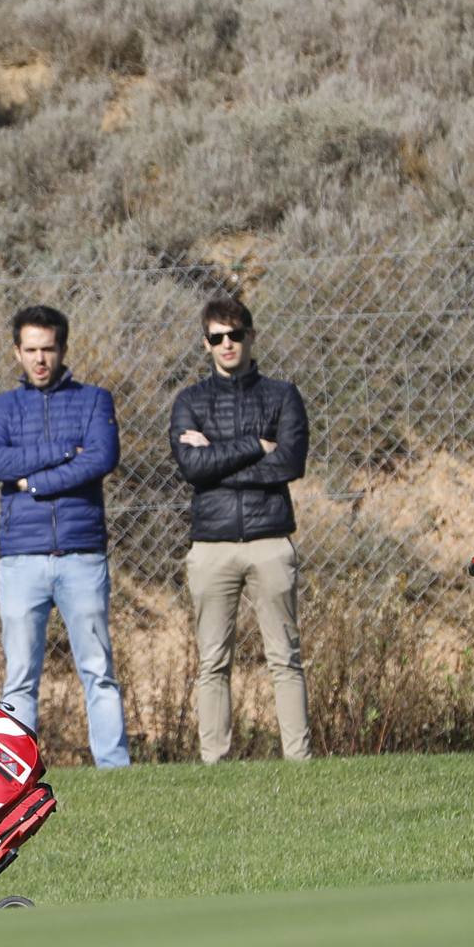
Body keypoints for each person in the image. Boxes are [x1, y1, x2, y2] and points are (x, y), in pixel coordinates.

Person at [0, 306, 130, 768]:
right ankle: (16, 774)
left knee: (98, 670)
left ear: (62, 349)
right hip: (20, 558)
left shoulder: (94, 400)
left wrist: (35, 481)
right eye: (31, 350)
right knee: (20, 676)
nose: (40, 359)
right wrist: (65, 451)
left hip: (82, 555)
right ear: (17, 352)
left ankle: (114, 766)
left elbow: (101, 458)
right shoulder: (1, 407)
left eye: (48, 349)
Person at [170, 297, 312, 763]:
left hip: (271, 540)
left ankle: (299, 760)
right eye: (217, 337)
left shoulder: (282, 395)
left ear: (251, 336)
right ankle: (214, 763)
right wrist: (254, 445)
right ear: (205, 343)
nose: (227, 344)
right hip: (211, 546)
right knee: (212, 661)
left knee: (284, 658)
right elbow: (192, 468)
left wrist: (218, 455)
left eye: (235, 335)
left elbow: (289, 463)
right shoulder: (190, 400)